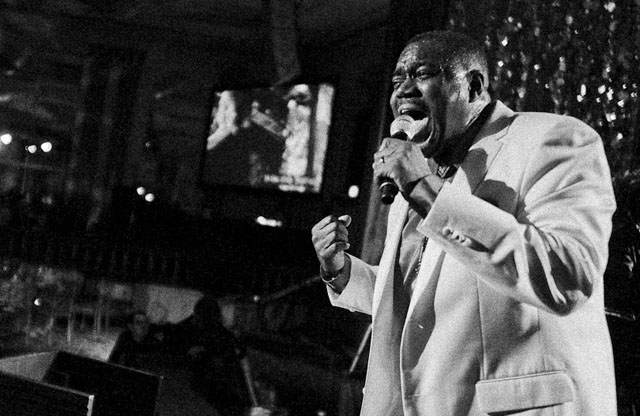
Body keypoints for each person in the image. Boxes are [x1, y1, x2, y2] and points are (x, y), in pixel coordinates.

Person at [311, 30, 617, 416]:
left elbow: (567, 277)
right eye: (396, 81)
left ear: (473, 86)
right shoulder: (421, 174)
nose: (403, 91)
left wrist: (424, 188)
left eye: (423, 73)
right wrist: (341, 272)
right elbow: (425, 297)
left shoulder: (553, 140)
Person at [169, 295, 252, 416]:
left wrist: (204, 350)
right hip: (210, 380)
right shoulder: (204, 328)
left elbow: (236, 351)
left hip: (213, 380)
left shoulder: (214, 331)